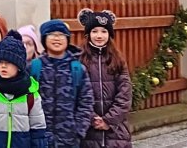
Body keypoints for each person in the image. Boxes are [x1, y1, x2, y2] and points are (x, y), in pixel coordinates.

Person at [31, 20, 94, 148]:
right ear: (44, 39)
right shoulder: (35, 67)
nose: (57, 38)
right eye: (52, 34)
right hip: (39, 138)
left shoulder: (77, 68)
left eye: (61, 35)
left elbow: (86, 101)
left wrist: (78, 130)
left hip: (69, 139)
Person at [77, 9, 132, 148]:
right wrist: (93, 119)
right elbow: (77, 93)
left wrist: (109, 120)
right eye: (94, 31)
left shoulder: (118, 59)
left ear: (109, 34)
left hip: (116, 131)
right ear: (88, 34)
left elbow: (125, 93)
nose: (99, 36)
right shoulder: (79, 60)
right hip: (88, 131)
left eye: (104, 31)